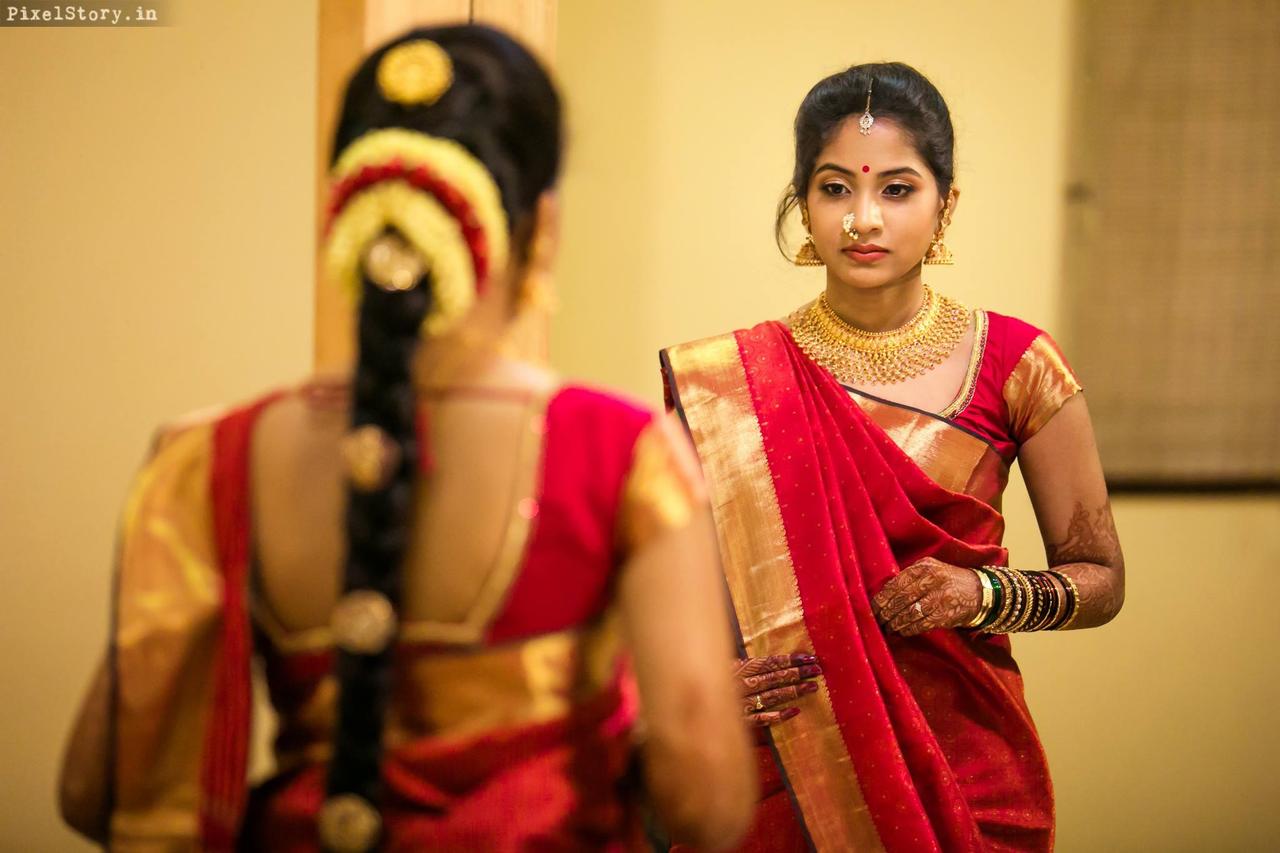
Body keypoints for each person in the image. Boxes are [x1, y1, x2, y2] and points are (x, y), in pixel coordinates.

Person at [59, 25, 755, 852]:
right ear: (543, 225)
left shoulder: (214, 460)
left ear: (346, 215)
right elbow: (706, 806)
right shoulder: (621, 452)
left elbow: (95, 792)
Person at [661, 62, 1125, 852]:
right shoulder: (727, 384)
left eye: (897, 189)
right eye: (835, 188)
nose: (862, 219)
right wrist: (698, 680)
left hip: (966, 762)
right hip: (786, 757)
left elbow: (1101, 579)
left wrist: (976, 592)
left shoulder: (1017, 362)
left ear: (946, 204)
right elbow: (666, 591)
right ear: (802, 203)